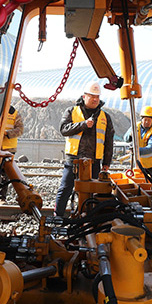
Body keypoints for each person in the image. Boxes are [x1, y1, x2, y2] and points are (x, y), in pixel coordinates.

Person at [55, 81, 115, 216]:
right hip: (74, 160)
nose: (95, 99)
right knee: (65, 189)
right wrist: (83, 125)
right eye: (92, 96)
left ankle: (88, 219)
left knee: (92, 192)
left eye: (97, 97)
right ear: (84, 96)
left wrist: (106, 162)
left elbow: (109, 141)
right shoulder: (71, 111)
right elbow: (63, 129)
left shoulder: (105, 117)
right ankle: (57, 217)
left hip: (94, 161)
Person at [123, 105, 152, 179]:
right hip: (139, 164)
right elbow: (126, 138)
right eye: (145, 119)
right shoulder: (135, 126)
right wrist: (130, 135)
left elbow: (151, 147)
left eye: (149, 120)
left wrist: (136, 150)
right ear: (141, 119)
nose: (147, 122)